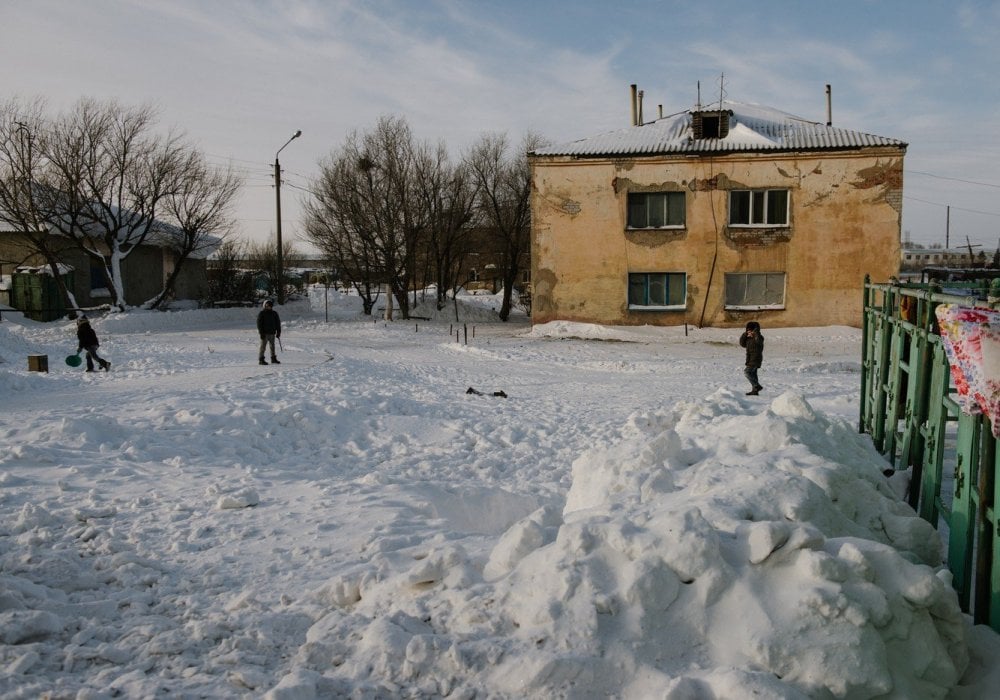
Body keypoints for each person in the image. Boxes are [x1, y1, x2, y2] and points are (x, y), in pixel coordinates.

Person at [739, 321, 764, 395]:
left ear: (755, 330)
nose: (749, 332)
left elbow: (758, 340)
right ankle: (755, 391)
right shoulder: (748, 338)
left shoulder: (759, 337)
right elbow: (742, 344)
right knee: (753, 374)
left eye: (750, 330)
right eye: (748, 330)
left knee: (747, 372)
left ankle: (757, 386)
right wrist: (745, 335)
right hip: (750, 359)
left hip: (756, 358)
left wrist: (755, 333)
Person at [256, 299, 281, 365]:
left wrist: (278, 332)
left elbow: (277, 323)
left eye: (270, 306)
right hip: (265, 333)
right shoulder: (262, 313)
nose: (269, 307)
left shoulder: (274, 313)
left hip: (272, 333)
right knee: (263, 347)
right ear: (264, 306)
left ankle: (273, 358)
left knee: (272, 346)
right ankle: (261, 359)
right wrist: (261, 333)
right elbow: (259, 324)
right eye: (267, 306)